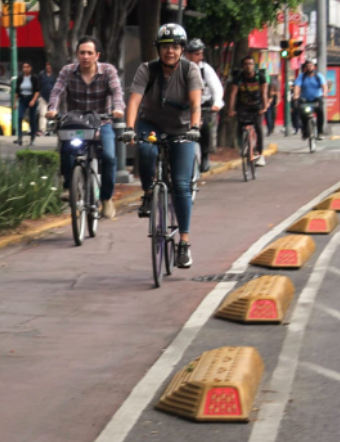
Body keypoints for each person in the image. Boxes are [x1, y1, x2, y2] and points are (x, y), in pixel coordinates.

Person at [120, 23, 202, 269]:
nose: (170, 51)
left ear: (182, 49)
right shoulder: (147, 69)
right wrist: (129, 128)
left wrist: (195, 128)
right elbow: (134, 101)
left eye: (175, 46)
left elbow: (196, 104)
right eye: (166, 46)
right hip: (151, 125)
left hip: (182, 129)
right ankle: (147, 194)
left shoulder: (190, 70)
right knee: (144, 150)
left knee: (181, 184)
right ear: (159, 48)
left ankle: (184, 244)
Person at [45, 36, 124, 219]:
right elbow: (57, 91)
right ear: (77, 54)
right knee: (66, 149)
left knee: (109, 157)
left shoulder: (108, 71)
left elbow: (117, 92)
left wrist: (118, 108)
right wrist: (52, 109)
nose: (86, 56)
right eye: (82, 53)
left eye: (90, 53)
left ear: (97, 55)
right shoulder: (68, 71)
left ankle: (106, 199)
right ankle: (68, 186)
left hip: (101, 121)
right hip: (76, 121)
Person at [185, 39, 223, 173]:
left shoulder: (205, 69)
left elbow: (216, 87)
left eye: (201, 54)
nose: (200, 57)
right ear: (187, 54)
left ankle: (205, 155)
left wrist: (217, 103)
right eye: (197, 54)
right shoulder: (180, 67)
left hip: (202, 105)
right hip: (184, 106)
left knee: (205, 126)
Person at [227, 56, 269, 167]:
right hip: (243, 106)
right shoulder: (238, 78)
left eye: (250, 64)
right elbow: (233, 94)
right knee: (240, 127)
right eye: (246, 64)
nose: (248, 66)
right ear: (242, 66)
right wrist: (231, 109)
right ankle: (243, 146)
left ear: (254, 65)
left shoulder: (260, 77)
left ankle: (260, 154)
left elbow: (264, 93)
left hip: (257, 106)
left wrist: (264, 107)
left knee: (259, 128)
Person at [293, 59, 327, 139]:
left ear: (313, 67)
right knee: (303, 114)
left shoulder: (318, 76)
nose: (309, 68)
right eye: (307, 66)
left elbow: (324, 85)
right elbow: (297, 86)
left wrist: (324, 93)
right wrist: (296, 95)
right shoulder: (302, 76)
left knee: (320, 112)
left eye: (310, 66)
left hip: (317, 98)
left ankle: (320, 132)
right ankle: (305, 132)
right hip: (305, 99)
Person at [15, 62, 40, 145]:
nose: (25, 69)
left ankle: (32, 138)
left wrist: (33, 100)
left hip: (31, 98)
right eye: (24, 67)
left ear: (31, 68)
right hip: (22, 98)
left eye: (27, 67)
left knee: (32, 119)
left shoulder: (34, 78)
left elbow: (37, 91)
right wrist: (15, 102)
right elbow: (17, 91)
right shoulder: (20, 78)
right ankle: (20, 137)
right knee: (20, 117)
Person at [38, 62, 57, 135]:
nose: (48, 66)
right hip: (43, 97)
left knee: (55, 114)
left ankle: (56, 129)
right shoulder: (42, 74)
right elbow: (38, 85)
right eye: (47, 65)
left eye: (50, 65)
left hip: (53, 98)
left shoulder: (55, 75)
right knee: (42, 114)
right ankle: (42, 130)